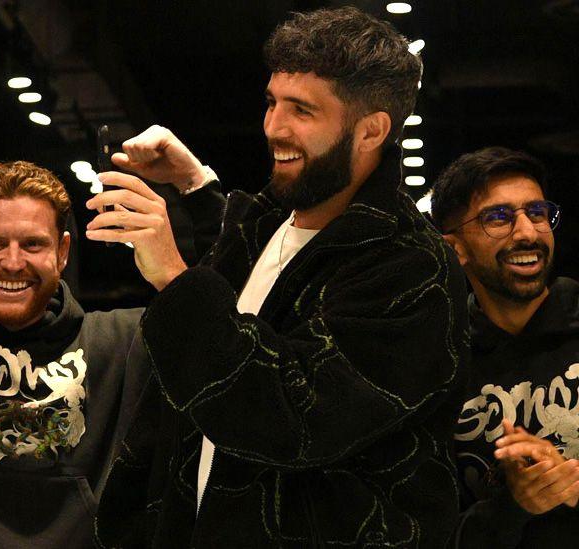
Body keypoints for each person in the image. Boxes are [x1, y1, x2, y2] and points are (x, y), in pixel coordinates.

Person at [87, 6, 470, 547]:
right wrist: (194, 183)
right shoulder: (274, 220)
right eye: (272, 102)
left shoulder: (414, 267)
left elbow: (286, 417)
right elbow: (254, 290)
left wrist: (174, 279)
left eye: (302, 110)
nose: (273, 128)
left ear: (372, 130)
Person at [0, 158, 223, 548]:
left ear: (62, 251)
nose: (13, 263)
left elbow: (237, 332)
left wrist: (196, 188)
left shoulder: (123, 341)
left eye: (33, 244)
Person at [431, 147, 579, 548]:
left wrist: (568, 482)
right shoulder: (435, 363)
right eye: (498, 218)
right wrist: (513, 503)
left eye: (536, 212)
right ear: (454, 248)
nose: (528, 232)